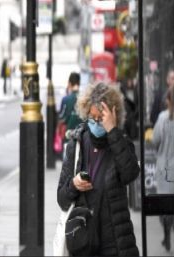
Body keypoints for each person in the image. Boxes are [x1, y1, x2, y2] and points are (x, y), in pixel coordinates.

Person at [57, 82, 140, 256]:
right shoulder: (76, 145)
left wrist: (112, 131)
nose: (96, 123)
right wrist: (73, 185)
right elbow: (62, 199)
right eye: (92, 118)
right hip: (82, 243)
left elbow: (130, 173)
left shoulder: (121, 144)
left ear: (113, 114)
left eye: (101, 119)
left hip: (115, 244)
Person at [152, 86, 174, 252]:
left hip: (165, 169)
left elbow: (155, 140)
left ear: (168, 100)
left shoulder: (162, 118)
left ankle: (167, 234)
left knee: (164, 205)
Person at [59, 72, 83, 142]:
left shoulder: (66, 99)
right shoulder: (84, 98)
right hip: (81, 135)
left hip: (68, 135)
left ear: (69, 83)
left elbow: (62, 117)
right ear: (79, 83)